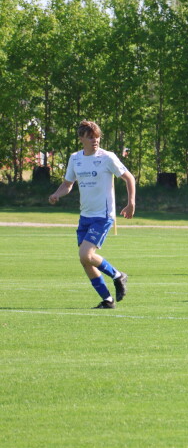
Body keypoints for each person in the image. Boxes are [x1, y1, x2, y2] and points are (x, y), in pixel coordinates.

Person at [48, 120, 135, 309]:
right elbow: (68, 184)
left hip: (103, 216)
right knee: (85, 260)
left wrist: (131, 203)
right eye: (90, 137)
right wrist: (56, 194)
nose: (95, 140)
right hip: (85, 216)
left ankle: (118, 275)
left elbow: (129, 177)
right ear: (81, 139)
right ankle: (108, 300)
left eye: (97, 137)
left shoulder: (107, 157)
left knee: (85, 254)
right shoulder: (75, 159)